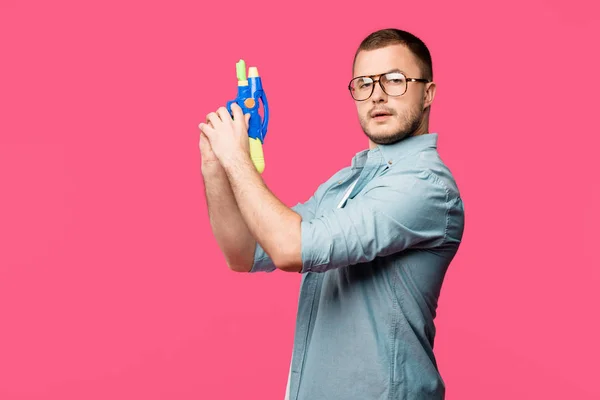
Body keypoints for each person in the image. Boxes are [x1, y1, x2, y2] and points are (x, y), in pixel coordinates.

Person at [198, 28, 465, 400]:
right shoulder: (348, 182)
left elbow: (291, 248)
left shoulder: (424, 185)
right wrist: (215, 166)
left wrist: (238, 159)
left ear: (428, 94)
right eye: (364, 83)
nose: (378, 95)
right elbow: (245, 253)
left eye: (395, 80)